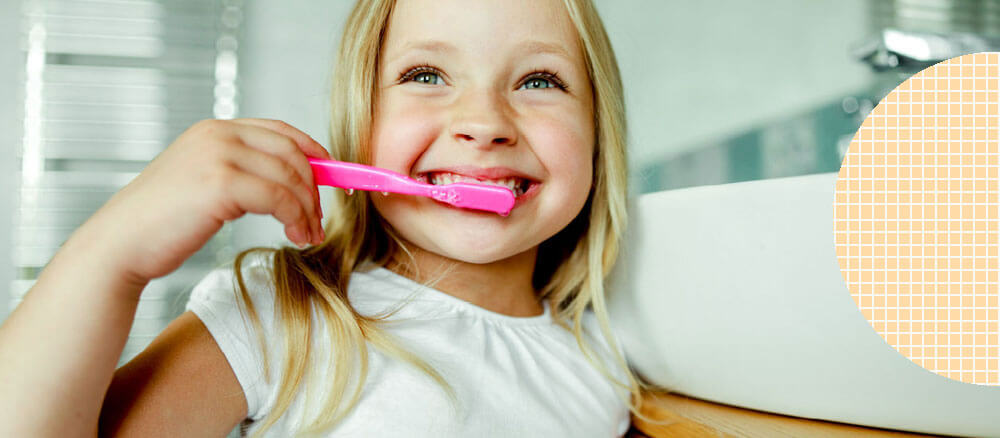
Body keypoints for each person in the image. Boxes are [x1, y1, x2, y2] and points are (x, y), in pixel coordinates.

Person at [0, 0, 659, 435]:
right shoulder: (282, 315)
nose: (484, 124)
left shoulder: (604, 357)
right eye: (427, 74)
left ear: (600, 137)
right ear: (359, 121)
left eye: (539, 81)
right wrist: (110, 258)